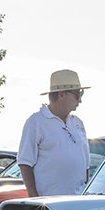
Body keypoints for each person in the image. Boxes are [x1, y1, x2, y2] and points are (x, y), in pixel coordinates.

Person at [17, 69, 91, 197]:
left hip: (78, 202)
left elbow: (86, 166)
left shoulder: (78, 123)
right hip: (50, 204)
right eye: (78, 94)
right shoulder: (36, 122)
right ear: (61, 95)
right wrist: (34, 199)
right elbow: (25, 163)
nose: (80, 100)